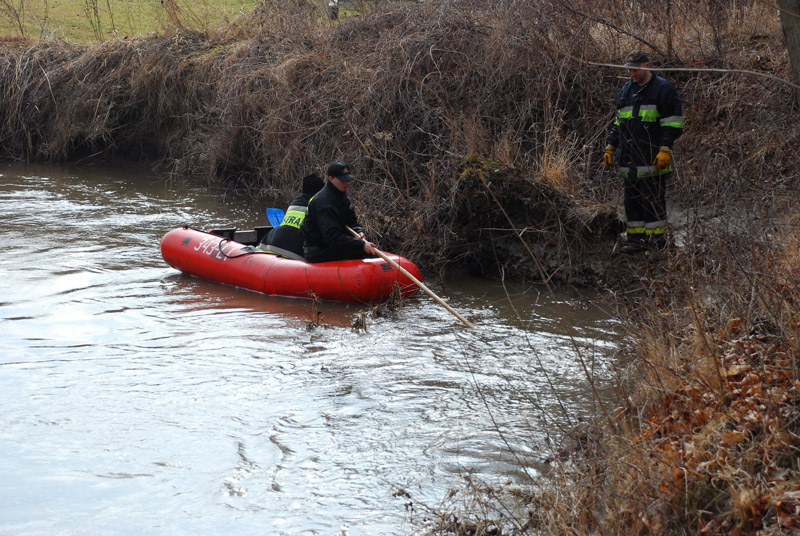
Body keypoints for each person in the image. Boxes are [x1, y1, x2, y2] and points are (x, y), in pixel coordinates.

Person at [604, 50, 684, 254]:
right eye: (629, 70)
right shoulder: (626, 90)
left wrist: (665, 148)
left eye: (635, 69)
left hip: (652, 158)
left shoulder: (662, 89)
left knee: (653, 203)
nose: (631, 73)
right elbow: (619, 121)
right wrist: (611, 145)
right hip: (629, 159)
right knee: (632, 203)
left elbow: (673, 123)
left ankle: (659, 244)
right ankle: (636, 241)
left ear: (647, 66)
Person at [300, 161, 377, 263]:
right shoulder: (324, 202)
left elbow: (352, 221)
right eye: (342, 180)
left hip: (333, 246)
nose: (346, 183)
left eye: (348, 180)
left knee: (370, 254)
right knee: (363, 253)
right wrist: (361, 245)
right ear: (331, 178)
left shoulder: (341, 196)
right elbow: (332, 237)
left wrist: (359, 232)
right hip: (319, 250)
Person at [258, 172, 325, 260]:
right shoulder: (318, 205)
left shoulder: (294, 203)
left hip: (268, 244)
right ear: (317, 193)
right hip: (295, 252)